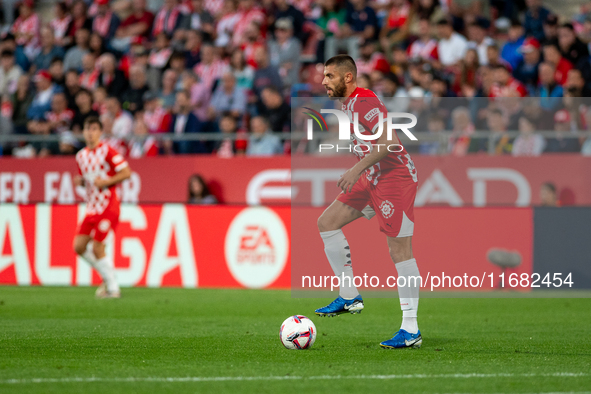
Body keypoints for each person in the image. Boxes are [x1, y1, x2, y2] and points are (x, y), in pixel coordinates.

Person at [314, 55, 421, 349]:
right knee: (327, 223)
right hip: (372, 176)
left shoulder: (364, 102)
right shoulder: (346, 105)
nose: (324, 82)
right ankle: (349, 295)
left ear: (348, 78)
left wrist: (355, 168)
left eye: (329, 76)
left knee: (399, 250)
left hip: (393, 178)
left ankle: (411, 329)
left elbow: (389, 142)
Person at [72, 116, 132, 299]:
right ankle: (107, 278)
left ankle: (113, 288)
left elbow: (126, 172)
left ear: (100, 132)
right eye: (87, 129)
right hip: (92, 207)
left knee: (98, 247)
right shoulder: (80, 156)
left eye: (94, 129)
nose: (90, 133)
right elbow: (88, 180)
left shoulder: (108, 151)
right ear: (83, 132)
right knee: (79, 246)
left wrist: (107, 182)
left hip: (108, 206)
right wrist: (81, 182)